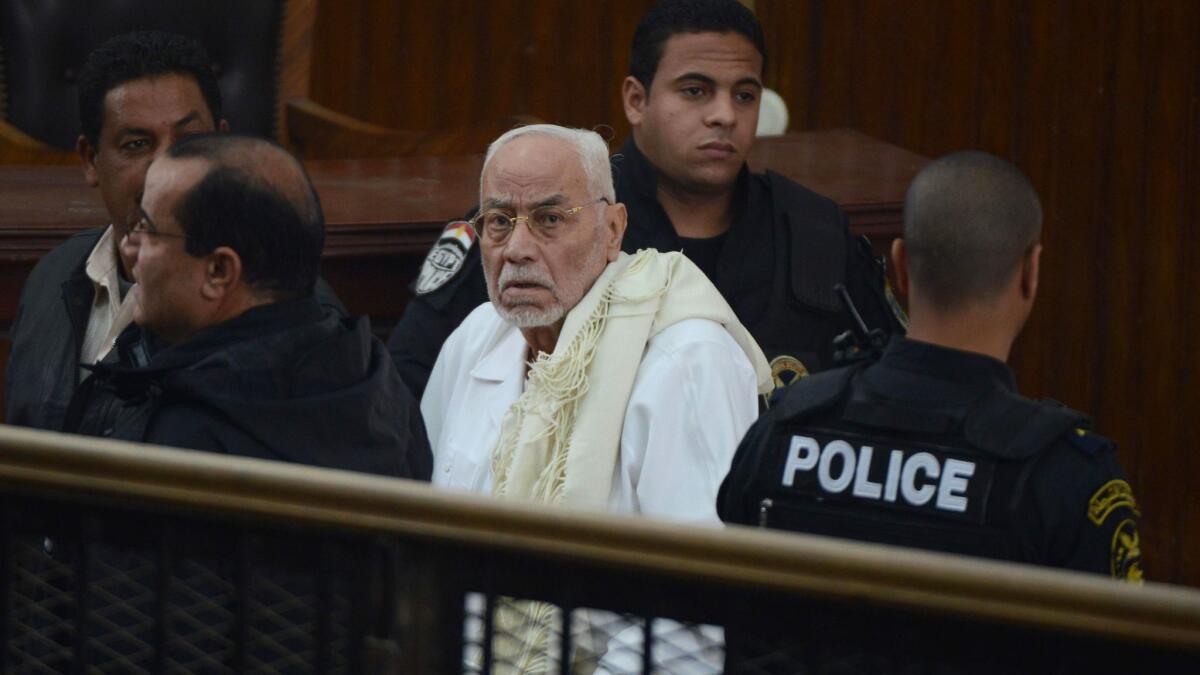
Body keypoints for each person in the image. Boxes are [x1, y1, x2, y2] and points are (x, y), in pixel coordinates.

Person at [717, 151, 1141, 671]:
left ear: (899, 267)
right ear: (1030, 273)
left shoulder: (784, 430)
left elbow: (731, 620)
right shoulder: (1068, 475)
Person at [389, 0, 904, 402]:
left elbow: (883, 385)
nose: (725, 114)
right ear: (636, 100)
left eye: (744, 95)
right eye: (696, 91)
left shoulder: (814, 232)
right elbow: (410, 382)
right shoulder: (550, 218)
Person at [422, 124, 769, 671]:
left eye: (550, 219)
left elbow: (698, 620)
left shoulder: (686, 359)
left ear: (613, 229)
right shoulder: (475, 337)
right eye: (498, 222)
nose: (516, 249)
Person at [4, 31, 342, 432]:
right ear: (90, 160)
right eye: (136, 144)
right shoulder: (51, 277)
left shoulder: (282, 303)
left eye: (191, 141)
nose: (167, 166)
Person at [64, 134, 431, 481]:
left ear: (219, 272)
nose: (129, 246)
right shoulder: (379, 386)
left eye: (147, 228)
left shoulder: (186, 443)